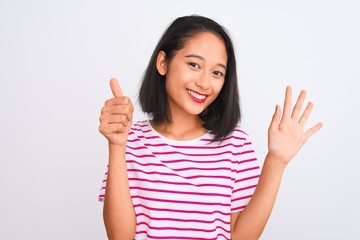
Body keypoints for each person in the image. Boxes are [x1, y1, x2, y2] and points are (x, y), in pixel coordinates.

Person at [98, 15, 323, 240]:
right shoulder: (129, 140)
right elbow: (119, 237)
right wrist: (117, 145)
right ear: (163, 63)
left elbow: (242, 237)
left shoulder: (236, 145)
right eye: (194, 65)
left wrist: (277, 161)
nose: (205, 83)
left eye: (217, 72)